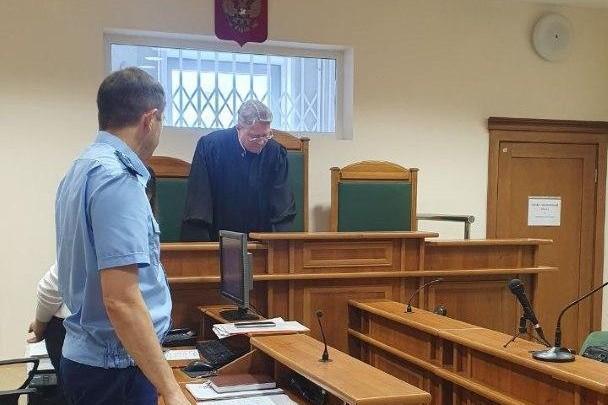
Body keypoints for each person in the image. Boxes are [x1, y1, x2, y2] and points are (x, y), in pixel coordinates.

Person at [55, 67, 189, 405]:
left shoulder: (81, 168)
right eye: (162, 121)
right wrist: (171, 389)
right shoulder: (118, 178)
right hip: (115, 370)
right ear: (150, 120)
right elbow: (121, 300)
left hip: (93, 362)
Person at [27, 169, 158, 376]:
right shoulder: (104, 235)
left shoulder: (146, 238)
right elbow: (49, 288)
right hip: (74, 335)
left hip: (116, 339)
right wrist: (40, 326)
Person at [181, 100, 296, 241]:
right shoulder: (211, 147)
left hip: (262, 242)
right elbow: (199, 205)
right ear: (239, 127)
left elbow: (283, 207)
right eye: (255, 136)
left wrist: (277, 245)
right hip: (219, 240)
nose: (261, 141)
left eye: (266, 135)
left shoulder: (275, 153)